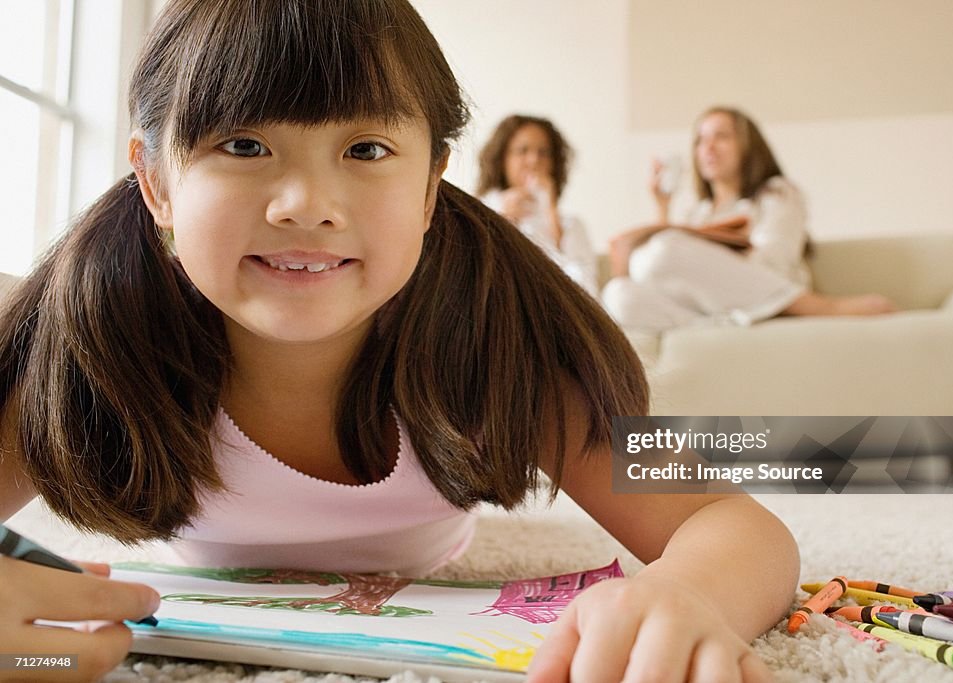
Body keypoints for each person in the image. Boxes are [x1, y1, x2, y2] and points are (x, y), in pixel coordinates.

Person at [0, 2, 798, 681]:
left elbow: (730, 521)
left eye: (366, 150)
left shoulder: (499, 327)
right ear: (156, 184)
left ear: (430, 186)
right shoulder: (88, 331)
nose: (306, 204)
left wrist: (690, 596)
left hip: (445, 546)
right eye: (244, 145)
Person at [604, 106, 895, 329]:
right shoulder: (700, 211)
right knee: (618, 295)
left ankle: (819, 307)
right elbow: (668, 280)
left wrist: (716, 258)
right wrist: (662, 208)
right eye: (700, 140)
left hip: (767, 290)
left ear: (747, 147)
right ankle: (724, 328)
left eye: (721, 136)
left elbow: (774, 262)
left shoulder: (777, 193)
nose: (708, 147)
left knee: (662, 252)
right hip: (712, 312)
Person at [477, 115, 598, 296]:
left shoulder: (571, 224)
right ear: (502, 159)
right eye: (522, 151)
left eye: (543, 152)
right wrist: (503, 221)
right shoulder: (481, 212)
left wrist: (551, 213)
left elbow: (588, 290)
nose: (533, 160)